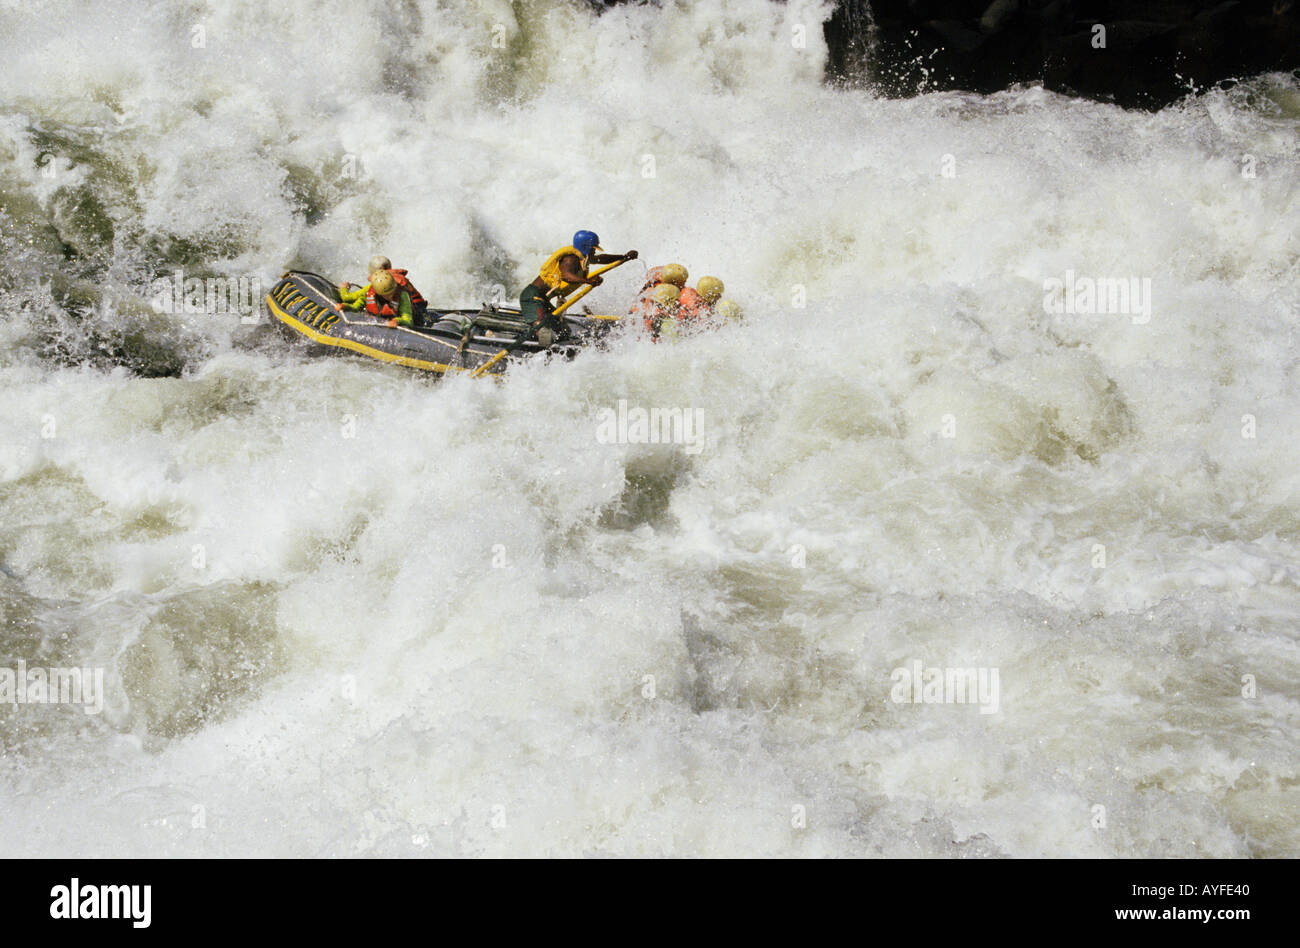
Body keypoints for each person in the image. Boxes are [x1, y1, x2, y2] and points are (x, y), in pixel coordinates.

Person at [521, 230, 637, 344]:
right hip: (532, 297)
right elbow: (566, 276)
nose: (594, 252)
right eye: (593, 249)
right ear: (585, 247)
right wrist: (588, 281)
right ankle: (540, 351)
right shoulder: (571, 259)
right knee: (543, 329)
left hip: (542, 300)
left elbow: (602, 259)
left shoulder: (583, 258)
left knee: (563, 331)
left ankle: (547, 346)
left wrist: (624, 257)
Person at [335, 269, 415, 327]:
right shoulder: (369, 291)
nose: (390, 296)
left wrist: (397, 321)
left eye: (392, 292)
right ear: (377, 292)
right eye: (386, 294)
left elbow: (408, 320)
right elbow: (355, 307)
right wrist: (344, 305)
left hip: (406, 318)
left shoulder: (402, 295)